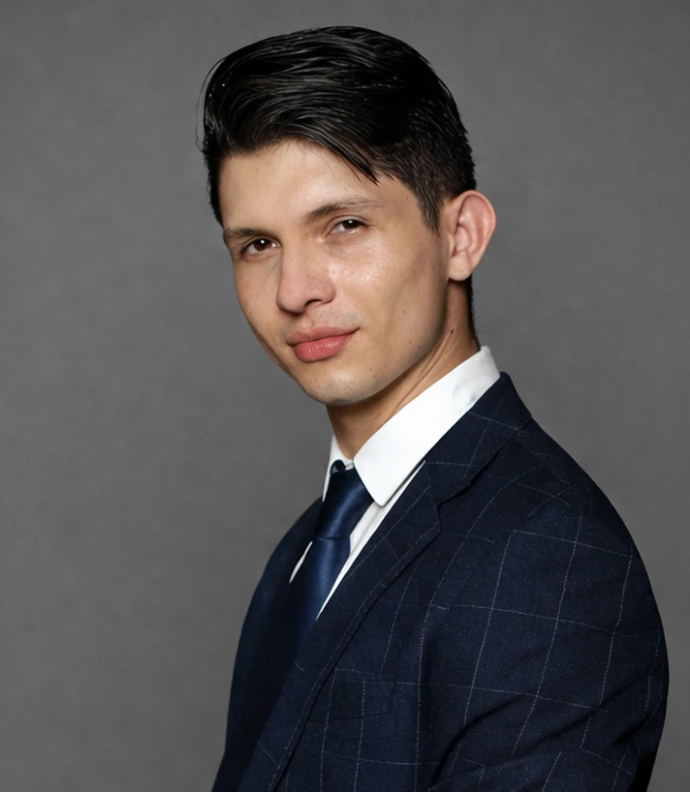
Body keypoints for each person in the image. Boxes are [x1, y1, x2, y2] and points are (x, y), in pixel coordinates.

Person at [200, 26, 668, 792]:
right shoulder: (313, 548)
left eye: (344, 225)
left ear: (461, 236)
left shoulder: (549, 558)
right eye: (257, 245)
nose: (295, 290)